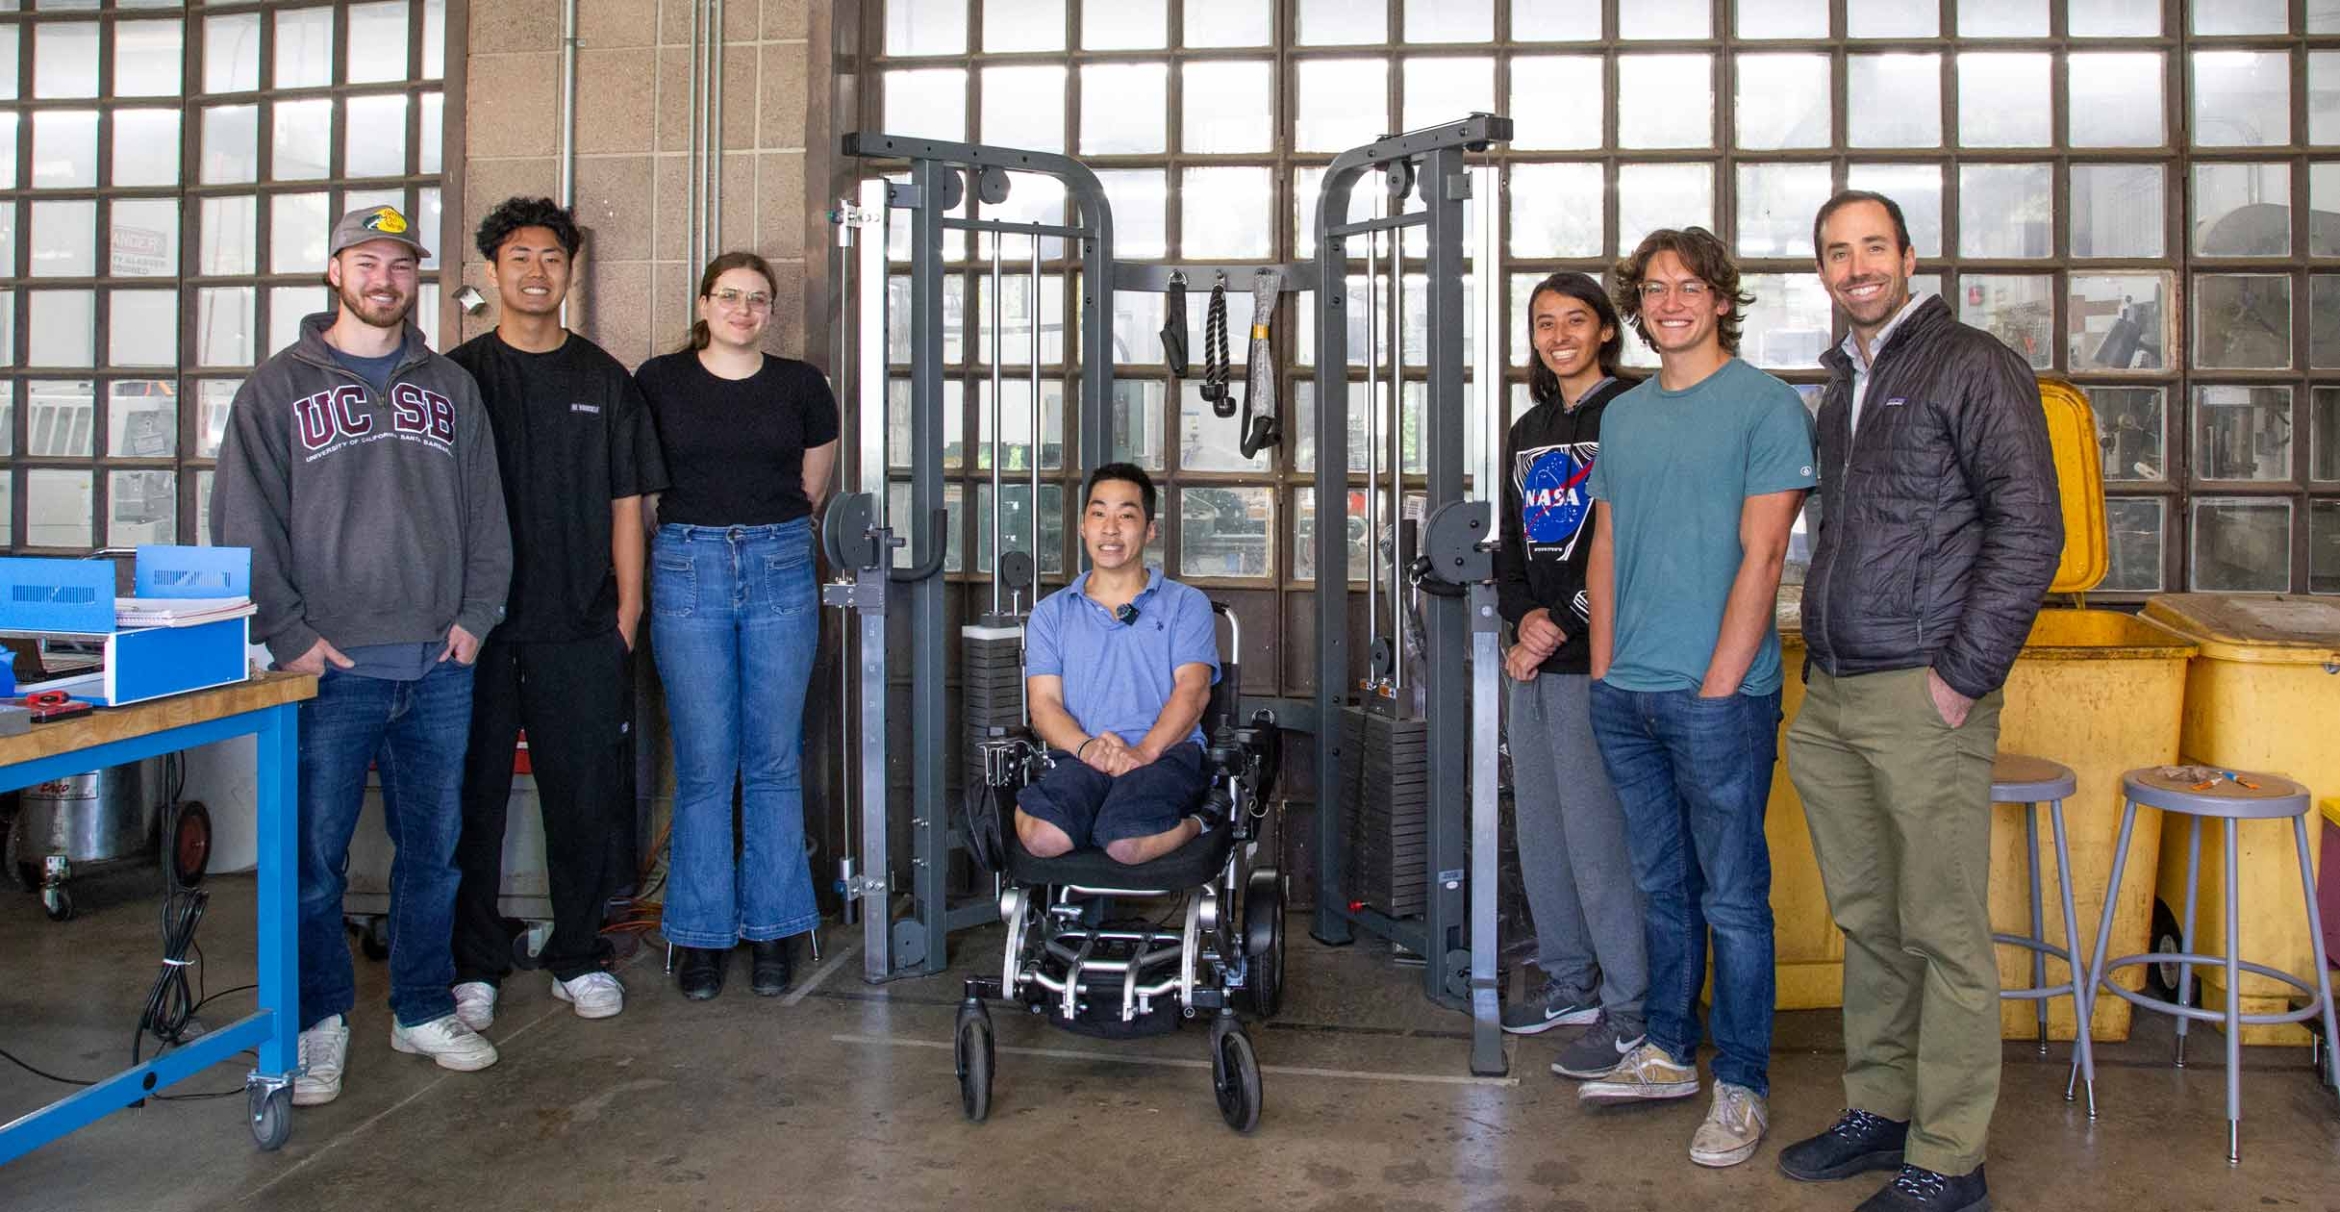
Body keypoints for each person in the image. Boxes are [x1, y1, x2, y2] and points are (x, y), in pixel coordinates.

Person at [1779, 191, 2061, 1212]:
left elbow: (2030, 530)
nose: (1856, 267)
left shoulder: (1972, 365)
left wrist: (1962, 676)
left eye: (1872, 248)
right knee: (1872, 918)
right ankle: (1882, 1109)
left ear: (1908, 257)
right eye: (1836, 252)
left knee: (1941, 930)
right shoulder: (1844, 379)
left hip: (1923, 692)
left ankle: (1948, 1158)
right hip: (1841, 689)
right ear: (1822, 270)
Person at [212, 205, 513, 1105]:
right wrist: (289, 634)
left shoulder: (451, 387)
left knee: (437, 852)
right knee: (312, 862)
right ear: (335, 272)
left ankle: (421, 1007)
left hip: (440, 664)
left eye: (401, 265)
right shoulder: (278, 389)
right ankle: (317, 1022)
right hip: (329, 670)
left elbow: (487, 513)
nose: (386, 280)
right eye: (368, 262)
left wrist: (477, 614)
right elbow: (243, 520)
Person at [1579, 227, 1815, 1169]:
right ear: (1638, 308)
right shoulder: (1625, 417)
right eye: (1653, 289)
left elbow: (1764, 554)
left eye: (1690, 286)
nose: (1669, 301)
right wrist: (1604, 671)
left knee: (1734, 901)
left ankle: (1744, 1082)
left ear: (1723, 299)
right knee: (1660, 890)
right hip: (1625, 694)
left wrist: (1720, 684)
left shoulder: (1765, 408)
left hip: (1720, 698)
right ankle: (1670, 1052)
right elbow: (1605, 543)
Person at [445, 198, 668, 1028]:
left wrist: (627, 614)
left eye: (552, 259)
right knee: (474, 798)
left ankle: (578, 954)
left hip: (581, 625)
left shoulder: (603, 380)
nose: (537, 272)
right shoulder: (458, 377)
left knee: (582, 797)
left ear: (571, 273)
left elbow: (626, 504)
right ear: (492, 272)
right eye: (520, 258)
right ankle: (475, 963)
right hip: (478, 628)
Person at [637, 251, 838, 1001]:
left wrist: (763, 532)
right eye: (730, 297)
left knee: (774, 759)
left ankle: (774, 929)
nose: (743, 311)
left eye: (758, 299)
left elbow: (810, 484)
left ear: (771, 311)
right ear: (704, 303)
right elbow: (641, 483)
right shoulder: (658, 381)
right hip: (688, 564)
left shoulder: (801, 385)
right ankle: (699, 935)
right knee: (703, 765)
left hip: (781, 560)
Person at [1493, 272, 1651, 1084]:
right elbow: (1511, 546)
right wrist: (1522, 620)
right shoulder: (1527, 429)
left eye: (1574, 321)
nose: (1559, 335)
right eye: (1544, 323)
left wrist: (1564, 622)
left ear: (1604, 332)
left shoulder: (1630, 414)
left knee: (1598, 842)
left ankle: (1629, 1013)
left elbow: (1629, 540)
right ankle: (1571, 986)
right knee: (1543, 835)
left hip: (1596, 661)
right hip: (1533, 661)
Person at [1013, 463, 1221, 866]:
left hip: (1165, 754)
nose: (1110, 529)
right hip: (1082, 755)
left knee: (1125, 845)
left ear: (1149, 530)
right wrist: (1088, 748)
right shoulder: (1051, 614)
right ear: (1082, 527)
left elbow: (1192, 692)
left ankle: (1204, 819)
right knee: (1042, 838)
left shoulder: (1185, 604)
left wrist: (1142, 752)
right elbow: (1044, 706)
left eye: (1126, 515)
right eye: (1098, 514)